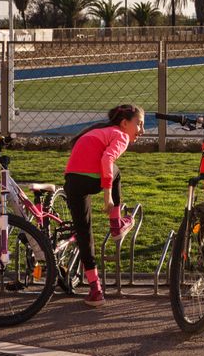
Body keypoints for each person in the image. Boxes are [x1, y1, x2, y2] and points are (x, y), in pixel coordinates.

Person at [64, 104, 144, 307]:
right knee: (116, 171)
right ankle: (116, 224)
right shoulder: (121, 135)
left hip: (72, 181)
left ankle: (95, 289)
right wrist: (107, 195)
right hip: (92, 178)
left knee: (84, 234)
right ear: (125, 123)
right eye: (139, 124)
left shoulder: (98, 131)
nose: (142, 130)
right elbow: (107, 158)